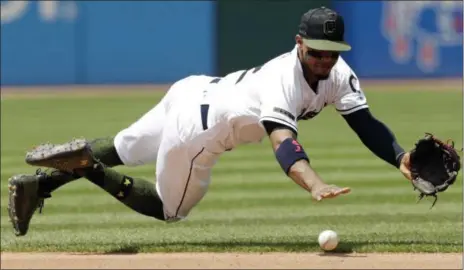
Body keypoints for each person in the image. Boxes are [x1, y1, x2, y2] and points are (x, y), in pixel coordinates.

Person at [7, 6, 413, 237]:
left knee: (123, 147)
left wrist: (399, 157)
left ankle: (37, 185)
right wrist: (314, 182)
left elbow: (366, 124)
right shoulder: (283, 80)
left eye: (332, 53)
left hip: (193, 90)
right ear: (299, 43)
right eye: (317, 52)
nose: (325, 61)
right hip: (198, 131)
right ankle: (85, 166)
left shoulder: (339, 75)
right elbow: (283, 142)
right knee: (170, 211)